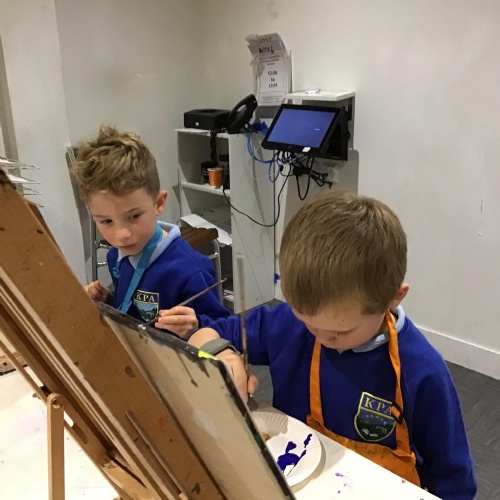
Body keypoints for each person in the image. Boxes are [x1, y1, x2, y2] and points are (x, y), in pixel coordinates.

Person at [189, 189, 477, 499]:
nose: (321, 338)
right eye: (307, 322)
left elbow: (455, 484)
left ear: (393, 298)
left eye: (340, 332)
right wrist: (220, 353)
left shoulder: (422, 371)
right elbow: (202, 334)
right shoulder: (287, 325)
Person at [73, 125, 230, 338]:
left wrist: (196, 327)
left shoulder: (192, 270)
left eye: (134, 216)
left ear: (158, 203)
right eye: (106, 221)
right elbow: (132, 309)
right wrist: (107, 302)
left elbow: (222, 331)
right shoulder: (116, 256)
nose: (122, 235)